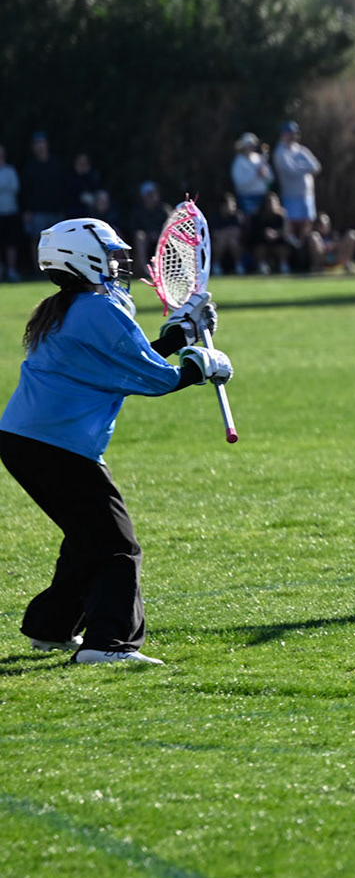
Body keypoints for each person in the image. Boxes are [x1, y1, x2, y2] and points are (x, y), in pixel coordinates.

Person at [2, 218, 228, 665]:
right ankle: (108, 644)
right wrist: (198, 368)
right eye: (111, 255)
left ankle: (51, 628)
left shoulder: (69, 307)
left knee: (88, 538)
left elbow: (120, 361)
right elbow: (152, 378)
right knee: (117, 547)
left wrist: (178, 336)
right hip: (57, 445)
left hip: (27, 440)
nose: (119, 263)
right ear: (83, 258)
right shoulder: (96, 309)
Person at [273, 122, 322, 245]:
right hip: (290, 194)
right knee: (291, 224)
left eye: (295, 133)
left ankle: (304, 249)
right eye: (290, 133)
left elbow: (316, 167)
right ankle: (293, 250)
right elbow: (290, 170)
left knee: (306, 224)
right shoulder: (280, 152)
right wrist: (305, 168)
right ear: (283, 135)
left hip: (307, 194)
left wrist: (299, 166)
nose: (293, 136)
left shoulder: (302, 150)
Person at [21, 133, 66, 242]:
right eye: (37, 144)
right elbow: (25, 190)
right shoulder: (29, 166)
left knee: (57, 241)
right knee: (37, 240)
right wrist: (27, 210)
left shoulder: (57, 163)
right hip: (37, 212)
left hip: (56, 210)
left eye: (42, 143)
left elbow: (63, 185)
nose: (40, 147)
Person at [126, 181, 171, 276]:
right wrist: (149, 234)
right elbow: (133, 229)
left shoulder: (165, 210)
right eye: (149, 194)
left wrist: (158, 234)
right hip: (145, 240)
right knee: (140, 236)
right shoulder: (138, 210)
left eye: (154, 193)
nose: (152, 197)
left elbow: (170, 227)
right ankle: (145, 269)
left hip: (161, 238)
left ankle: (167, 268)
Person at [230, 133, 273, 220]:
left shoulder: (260, 158)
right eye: (249, 145)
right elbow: (239, 182)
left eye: (253, 145)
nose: (251, 147)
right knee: (249, 221)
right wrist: (255, 174)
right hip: (246, 197)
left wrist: (265, 174)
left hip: (262, 196)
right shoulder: (238, 161)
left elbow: (270, 178)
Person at [249, 192, 291, 274]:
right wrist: (264, 234)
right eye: (268, 203)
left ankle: (283, 265)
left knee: (283, 248)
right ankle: (262, 266)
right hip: (262, 242)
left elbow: (286, 232)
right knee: (259, 248)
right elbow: (254, 233)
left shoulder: (281, 216)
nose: (271, 205)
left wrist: (276, 234)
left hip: (278, 243)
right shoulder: (257, 216)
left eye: (273, 203)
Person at [207, 193, 246, 276]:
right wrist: (226, 234)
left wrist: (225, 233)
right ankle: (216, 265)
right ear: (223, 206)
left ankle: (238, 265)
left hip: (234, 242)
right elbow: (214, 234)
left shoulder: (237, 217)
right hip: (219, 243)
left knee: (232, 241)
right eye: (231, 204)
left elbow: (238, 233)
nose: (234, 206)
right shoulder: (215, 218)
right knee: (221, 241)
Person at [0, 142, 21, 281]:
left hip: (10, 212)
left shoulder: (10, 170)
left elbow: (15, 188)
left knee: (11, 243)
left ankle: (11, 270)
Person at [67, 153, 109, 219]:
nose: (82, 164)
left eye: (85, 162)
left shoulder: (93, 176)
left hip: (92, 214)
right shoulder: (69, 177)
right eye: (80, 161)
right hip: (73, 212)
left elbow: (97, 189)